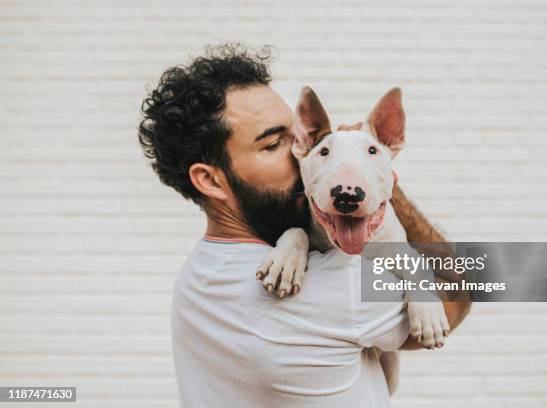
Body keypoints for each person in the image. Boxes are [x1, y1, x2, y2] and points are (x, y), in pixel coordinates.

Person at [138, 43, 471, 408]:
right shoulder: (338, 284)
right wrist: (386, 185)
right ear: (211, 180)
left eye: (299, 137)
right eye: (274, 144)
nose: (305, 158)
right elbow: (457, 292)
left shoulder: (195, 278)